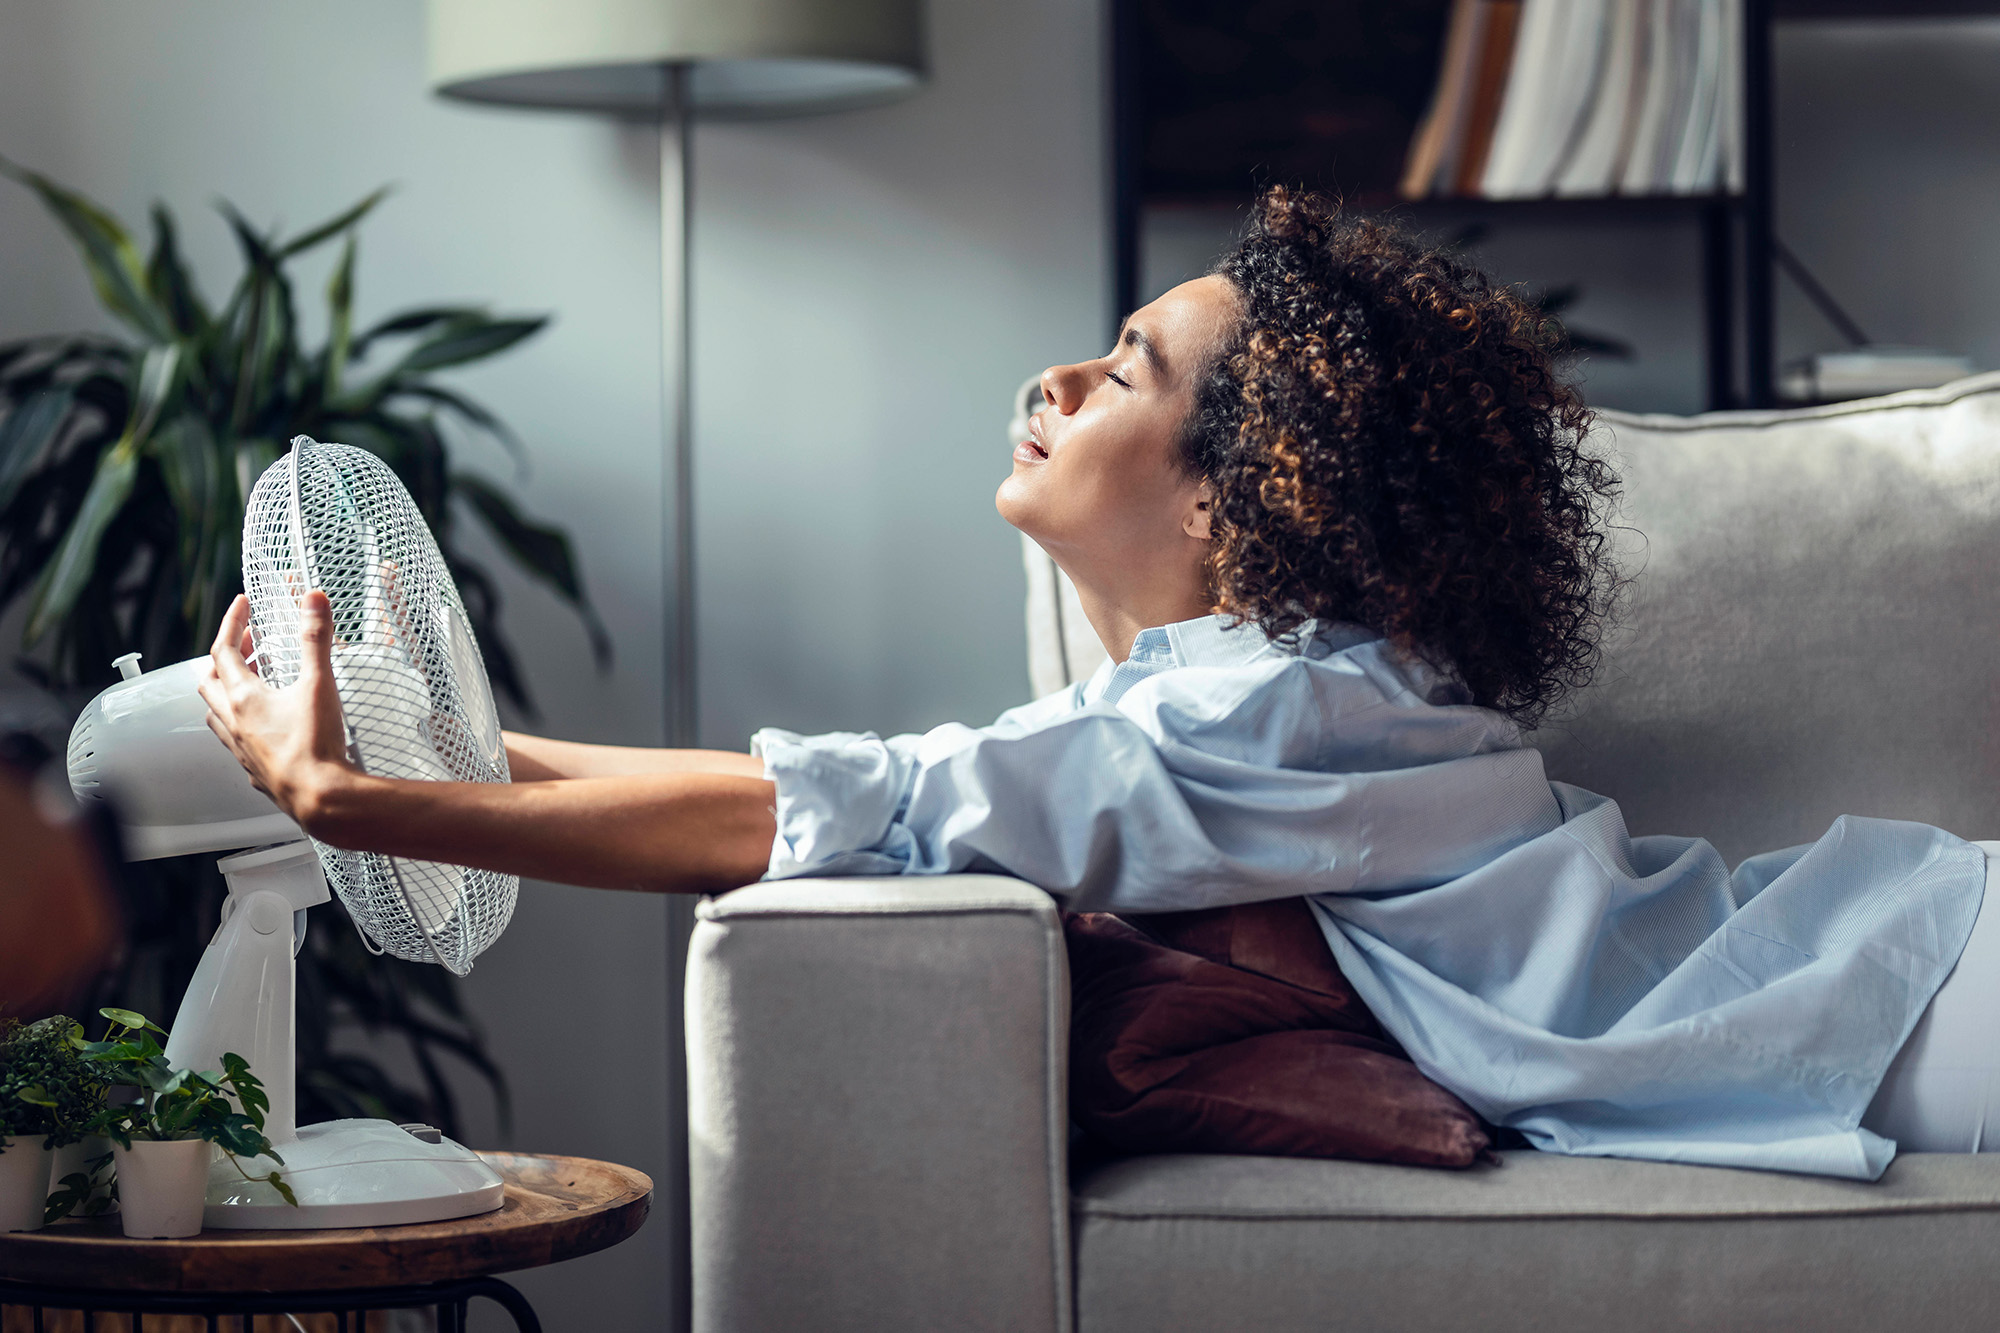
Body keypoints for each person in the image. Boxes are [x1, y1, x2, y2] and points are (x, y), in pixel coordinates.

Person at [199, 188, 1991, 1180]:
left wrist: (357, 795)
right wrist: (440, 723)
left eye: (1124, 368)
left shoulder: (1266, 718)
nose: (1058, 373)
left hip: (1918, 997)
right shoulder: (1270, 694)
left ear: (1235, 492)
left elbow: (825, 812)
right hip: (1900, 970)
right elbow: (848, 784)